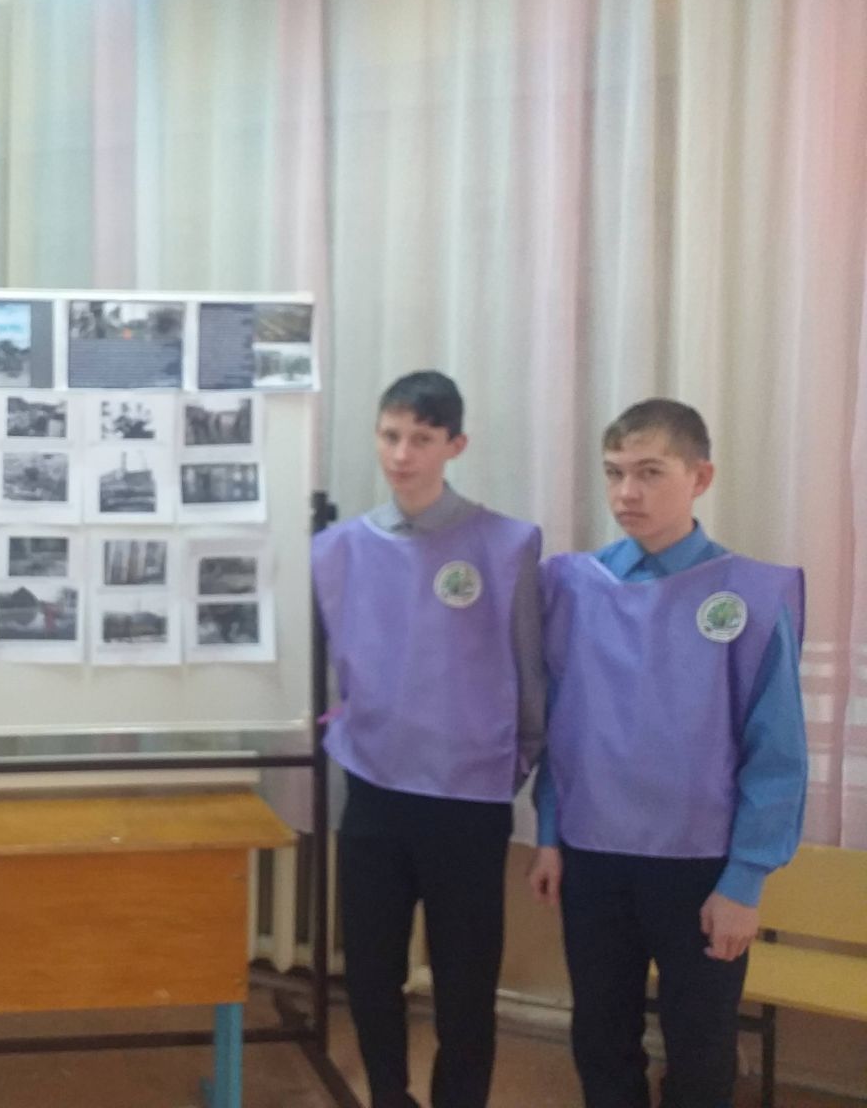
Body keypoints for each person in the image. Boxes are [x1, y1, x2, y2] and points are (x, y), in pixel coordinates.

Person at [528, 398, 806, 1108]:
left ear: (700, 477)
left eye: (650, 472)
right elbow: (562, 724)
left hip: (700, 866)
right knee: (601, 1039)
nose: (627, 492)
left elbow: (776, 751)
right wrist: (550, 834)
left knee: (701, 1048)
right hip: (593, 855)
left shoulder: (747, 595)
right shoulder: (573, 587)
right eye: (614, 472)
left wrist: (745, 880)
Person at [311, 370, 544, 1108]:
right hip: (375, 793)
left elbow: (529, 673)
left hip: (467, 801)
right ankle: (388, 1096)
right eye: (390, 435)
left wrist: (510, 764)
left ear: (455, 445)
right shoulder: (337, 549)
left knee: (466, 988)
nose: (402, 454)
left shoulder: (506, 544)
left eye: (421, 438)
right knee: (371, 973)